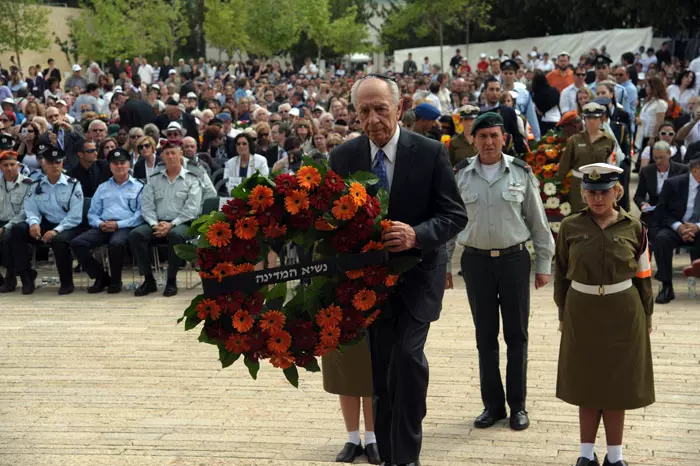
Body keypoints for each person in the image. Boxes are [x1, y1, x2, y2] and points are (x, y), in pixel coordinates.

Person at [329, 75, 467, 466]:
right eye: (364, 111)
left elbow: (454, 215)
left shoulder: (429, 152)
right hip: (368, 285)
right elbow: (330, 224)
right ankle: (389, 454)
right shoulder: (344, 158)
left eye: (380, 109)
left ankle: (406, 455)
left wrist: (416, 234)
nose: (373, 119)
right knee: (381, 372)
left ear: (400, 108)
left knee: (407, 359)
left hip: (419, 277)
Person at [452, 112, 554, 432]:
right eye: (482, 136)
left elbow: (538, 222)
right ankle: (492, 406)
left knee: (517, 336)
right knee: (485, 338)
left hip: (513, 260)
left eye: (494, 136)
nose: (489, 142)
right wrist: (444, 266)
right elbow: (450, 223)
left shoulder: (520, 173)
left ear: (505, 138)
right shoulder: (461, 175)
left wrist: (543, 264)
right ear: (473, 139)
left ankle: (518, 406)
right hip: (476, 262)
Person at [554, 162, 654, 466]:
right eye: (591, 192)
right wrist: (562, 313)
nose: (598, 198)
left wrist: (647, 317)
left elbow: (644, 275)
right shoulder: (570, 226)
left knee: (617, 384)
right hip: (581, 311)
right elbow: (560, 273)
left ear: (617, 192)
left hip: (623, 312)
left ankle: (615, 456)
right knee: (585, 381)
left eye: (604, 192)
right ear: (584, 193)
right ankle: (585, 454)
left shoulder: (634, 228)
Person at [128, 141, 202, 298]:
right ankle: (149, 280)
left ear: (181, 154)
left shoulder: (191, 179)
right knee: (136, 235)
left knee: (175, 235)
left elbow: (192, 209)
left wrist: (171, 224)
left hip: (182, 223)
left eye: (174, 152)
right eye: (167, 153)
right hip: (157, 222)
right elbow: (146, 206)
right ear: (161, 156)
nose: (170, 156)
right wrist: (155, 224)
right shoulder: (154, 179)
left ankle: (171, 281)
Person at [7, 147, 84, 295]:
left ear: (63, 163)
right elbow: (31, 208)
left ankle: (66, 282)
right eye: (50, 162)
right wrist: (34, 223)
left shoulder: (73, 184)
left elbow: (75, 217)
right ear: (44, 164)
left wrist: (56, 230)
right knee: (17, 230)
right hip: (46, 223)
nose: (54, 165)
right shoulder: (37, 185)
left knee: (59, 240)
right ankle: (26, 277)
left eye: (58, 162)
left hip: (67, 225)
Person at [70, 148, 145, 294]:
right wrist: (100, 223)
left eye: (122, 162)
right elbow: (92, 213)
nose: (119, 166)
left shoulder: (139, 186)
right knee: (77, 243)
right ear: (110, 166)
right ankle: (101, 277)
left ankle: (116, 282)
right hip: (103, 226)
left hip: (125, 226)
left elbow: (140, 215)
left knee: (116, 244)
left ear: (129, 164)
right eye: (115, 163)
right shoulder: (103, 187)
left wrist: (118, 224)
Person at [651, 152, 700, 304]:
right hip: (675, 227)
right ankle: (666, 286)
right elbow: (661, 212)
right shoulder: (673, 184)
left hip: (698, 229)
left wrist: (697, 227)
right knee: (661, 239)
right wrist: (679, 227)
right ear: (695, 170)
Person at [557, 103, 616, 212]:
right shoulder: (575, 140)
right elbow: (564, 165)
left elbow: (612, 165)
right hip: (579, 185)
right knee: (579, 217)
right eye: (588, 118)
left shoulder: (609, 140)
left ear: (601, 119)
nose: (591, 121)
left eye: (595, 118)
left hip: (600, 186)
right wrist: (556, 185)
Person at [634, 141, 688, 242]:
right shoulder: (647, 171)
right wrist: (643, 204)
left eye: (661, 157)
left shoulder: (682, 170)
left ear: (669, 154)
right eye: (655, 158)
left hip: (674, 212)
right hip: (653, 212)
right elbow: (638, 196)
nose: (658, 161)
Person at [0, 151, 34, 293]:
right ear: (0, 167)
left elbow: (26, 211)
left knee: (8, 237)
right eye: (5, 165)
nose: (9, 168)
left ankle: (12, 276)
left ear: (18, 166)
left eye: (12, 164)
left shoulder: (28, 184)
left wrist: (5, 227)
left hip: (20, 223)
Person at [480, 77, 527, 155]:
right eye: (491, 89)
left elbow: (516, 136)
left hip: (506, 155)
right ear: (484, 92)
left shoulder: (509, 111)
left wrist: (524, 157)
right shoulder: (479, 112)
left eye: (497, 90)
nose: (494, 93)